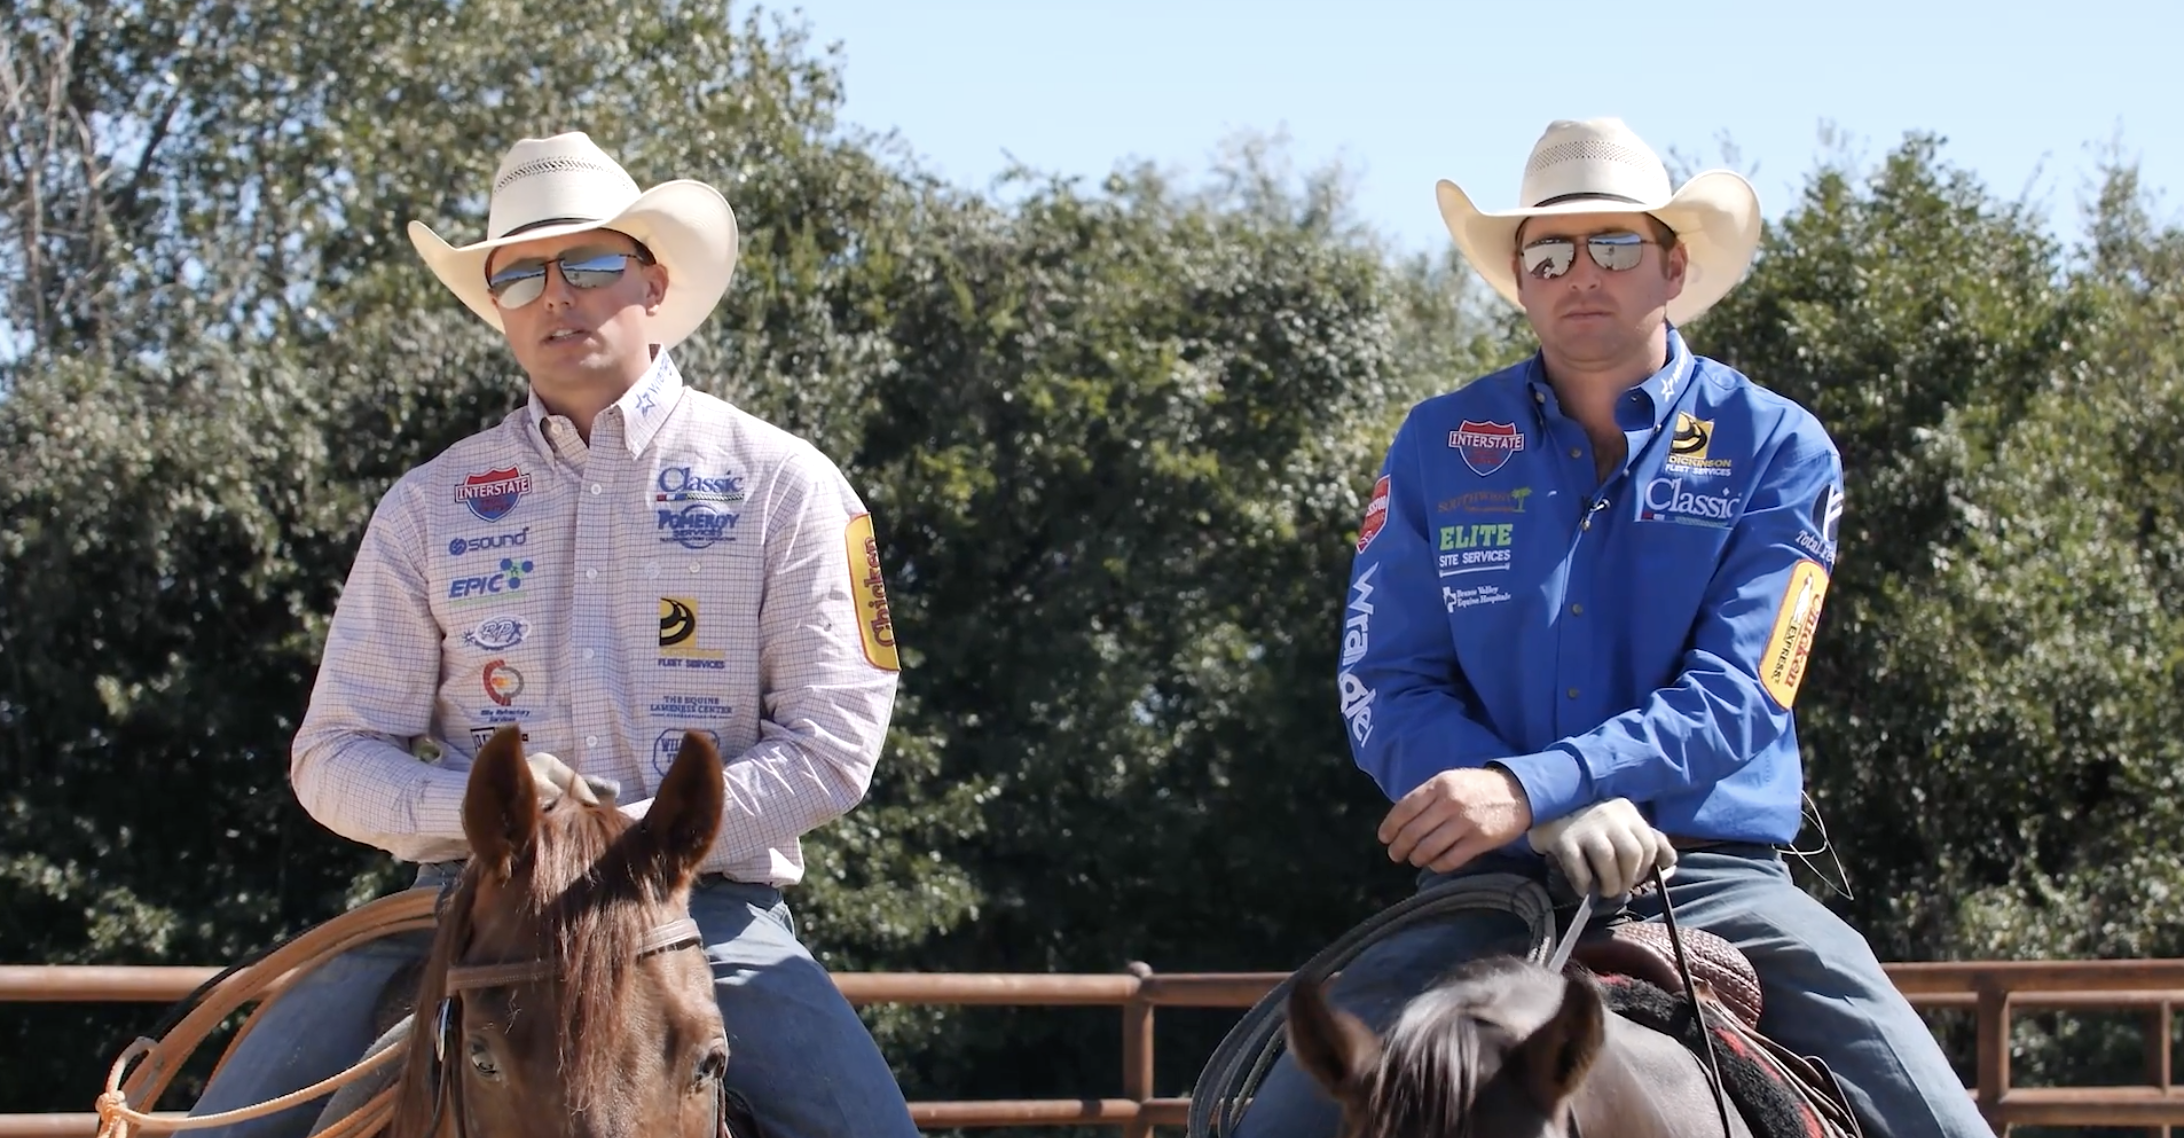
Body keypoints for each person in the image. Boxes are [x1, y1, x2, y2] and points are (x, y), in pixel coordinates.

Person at [1234, 118, 1991, 1138]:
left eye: (1615, 245)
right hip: (1484, 889)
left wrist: (1537, 783)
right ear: (1520, 278)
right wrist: (1529, 808)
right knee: (1271, 1120)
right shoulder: (1439, 444)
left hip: (1710, 875)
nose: (1578, 272)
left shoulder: (1774, 446)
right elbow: (1387, 679)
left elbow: (1743, 691)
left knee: (1937, 1123)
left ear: (1674, 264)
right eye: (1546, 251)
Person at [186, 131, 918, 1138]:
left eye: (588, 263)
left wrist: (632, 841)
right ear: (495, 306)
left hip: (695, 911)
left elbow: (833, 747)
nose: (552, 294)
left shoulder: (786, 484)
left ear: (654, 280)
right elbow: (331, 753)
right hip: (464, 911)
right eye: (518, 274)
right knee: (225, 1127)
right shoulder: (426, 505)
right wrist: (485, 820)